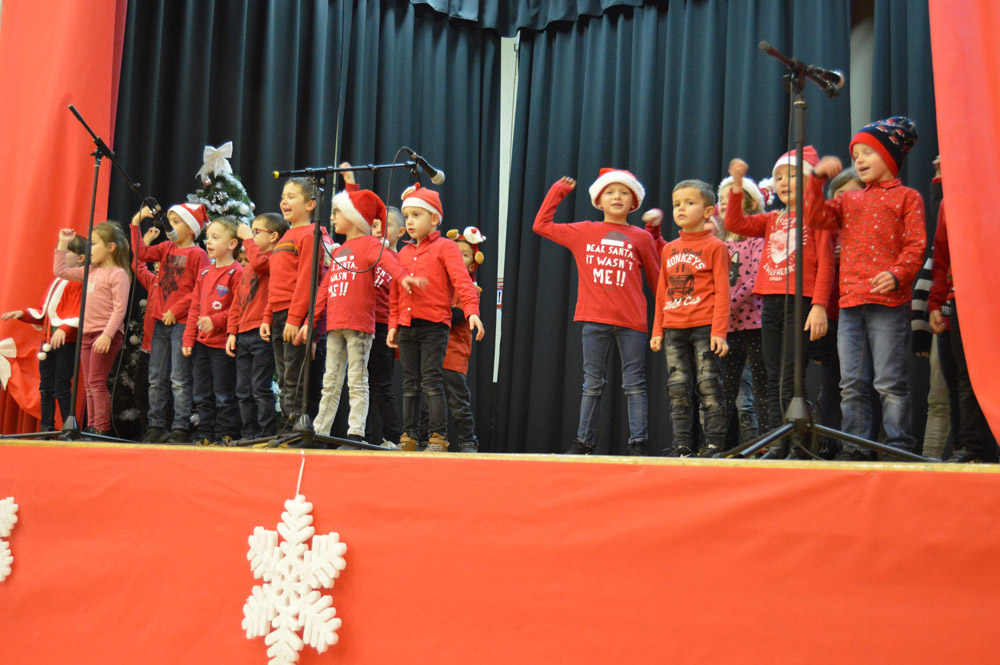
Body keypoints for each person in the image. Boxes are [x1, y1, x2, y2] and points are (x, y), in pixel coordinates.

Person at [811, 116, 926, 459]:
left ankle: (897, 447)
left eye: (867, 153)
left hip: (887, 303)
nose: (858, 160)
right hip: (849, 304)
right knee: (852, 383)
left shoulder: (907, 197)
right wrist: (815, 181)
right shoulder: (849, 201)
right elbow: (815, 217)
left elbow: (916, 244)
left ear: (889, 157)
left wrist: (896, 274)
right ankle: (856, 447)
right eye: (855, 154)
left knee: (889, 382)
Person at [533, 169, 661, 455]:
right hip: (594, 319)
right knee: (592, 384)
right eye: (610, 192)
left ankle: (638, 443)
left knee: (634, 385)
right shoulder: (584, 231)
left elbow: (658, 283)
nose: (617, 196)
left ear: (634, 203)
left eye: (624, 192)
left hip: (632, 322)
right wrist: (557, 192)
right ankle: (584, 442)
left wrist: (661, 325)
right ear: (599, 201)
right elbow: (541, 226)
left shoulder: (641, 238)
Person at [726, 150, 835, 458]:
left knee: (791, 378)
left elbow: (826, 262)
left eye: (792, 176)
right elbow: (735, 222)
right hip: (770, 303)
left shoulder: (818, 215)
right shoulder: (773, 218)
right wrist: (736, 184)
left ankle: (797, 444)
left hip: (800, 302)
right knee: (773, 377)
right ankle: (777, 442)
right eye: (778, 177)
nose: (784, 182)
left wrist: (819, 305)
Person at [308, 187, 420, 445]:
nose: (333, 218)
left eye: (338, 213)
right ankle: (320, 430)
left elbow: (391, 264)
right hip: (336, 325)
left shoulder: (370, 244)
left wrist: (404, 278)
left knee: (358, 380)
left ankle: (355, 432)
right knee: (331, 381)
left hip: (359, 325)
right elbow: (324, 291)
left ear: (355, 216)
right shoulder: (338, 251)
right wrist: (311, 324)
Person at [388, 184, 484, 452]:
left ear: (434, 219)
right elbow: (396, 293)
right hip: (407, 327)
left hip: (434, 326)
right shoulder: (404, 252)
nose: (409, 222)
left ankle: (437, 437)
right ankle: (409, 436)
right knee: (409, 384)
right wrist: (393, 324)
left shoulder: (446, 248)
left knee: (431, 381)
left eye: (416, 215)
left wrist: (472, 311)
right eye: (407, 217)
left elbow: (463, 282)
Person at [647, 180, 730, 457]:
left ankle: (713, 444)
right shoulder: (669, 248)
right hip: (673, 328)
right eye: (676, 204)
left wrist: (719, 331)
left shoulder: (716, 247)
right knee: (678, 387)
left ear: (708, 212)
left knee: (708, 384)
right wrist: (657, 329)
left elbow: (722, 292)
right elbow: (662, 291)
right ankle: (682, 444)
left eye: (689, 202)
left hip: (704, 327)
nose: (681, 208)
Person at [131, 203, 210, 443]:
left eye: (176, 222)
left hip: (182, 323)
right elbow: (142, 254)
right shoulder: (166, 248)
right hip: (160, 323)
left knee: (179, 378)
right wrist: (136, 222)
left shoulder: (198, 255)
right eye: (170, 221)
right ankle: (156, 426)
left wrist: (176, 310)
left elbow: (201, 288)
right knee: (156, 378)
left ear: (192, 229)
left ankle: (180, 427)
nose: (170, 227)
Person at [260, 178, 332, 433]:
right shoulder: (286, 236)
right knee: (283, 376)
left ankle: (297, 426)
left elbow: (307, 280)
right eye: (283, 196)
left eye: (292, 196)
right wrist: (268, 315)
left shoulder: (311, 235)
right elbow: (276, 281)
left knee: (294, 376)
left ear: (311, 204)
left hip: (294, 315)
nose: (284, 201)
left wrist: (295, 318)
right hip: (280, 314)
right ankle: (289, 425)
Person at [928, 198, 997, 463]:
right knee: (966, 378)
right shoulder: (952, 202)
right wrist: (935, 300)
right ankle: (971, 450)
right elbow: (942, 255)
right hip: (964, 300)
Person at [2, 235, 87, 431]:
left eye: (66, 251)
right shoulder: (58, 281)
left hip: (66, 342)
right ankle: (46, 428)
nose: (61, 254)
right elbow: (46, 312)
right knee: (45, 387)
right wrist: (23, 314)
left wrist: (64, 329)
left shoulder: (80, 281)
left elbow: (78, 312)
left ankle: (69, 428)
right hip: (48, 340)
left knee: (62, 387)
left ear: (81, 258)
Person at [53, 223, 131, 436]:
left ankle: (101, 428)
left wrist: (107, 334)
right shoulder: (89, 271)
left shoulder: (118, 274)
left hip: (104, 335)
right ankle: (93, 426)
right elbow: (60, 271)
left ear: (110, 247)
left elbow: (119, 309)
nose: (89, 250)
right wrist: (63, 243)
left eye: (94, 244)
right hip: (86, 335)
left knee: (96, 383)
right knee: (88, 384)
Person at [715, 175, 768, 451]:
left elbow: (753, 278)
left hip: (754, 324)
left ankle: (766, 444)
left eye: (729, 200)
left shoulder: (756, 239)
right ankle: (723, 445)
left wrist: (725, 304)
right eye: (720, 201)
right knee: (725, 388)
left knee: (760, 388)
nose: (723, 205)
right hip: (728, 328)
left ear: (747, 204)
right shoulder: (718, 243)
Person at [182, 217, 243, 445]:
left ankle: (226, 432)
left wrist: (216, 321)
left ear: (232, 244)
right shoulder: (205, 273)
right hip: (202, 345)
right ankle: (205, 432)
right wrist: (189, 337)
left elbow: (239, 309)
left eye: (216, 238)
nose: (209, 242)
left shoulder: (237, 272)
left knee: (224, 393)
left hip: (222, 345)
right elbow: (194, 308)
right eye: (208, 237)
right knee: (202, 393)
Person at [226, 213, 287, 441]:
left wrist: (246, 240)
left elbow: (262, 264)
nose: (250, 236)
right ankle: (248, 433)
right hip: (243, 333)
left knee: (260, 388)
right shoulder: (249, 264)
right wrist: (232, 331)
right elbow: (237, 302)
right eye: (250, 232)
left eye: (256, 232)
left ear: (273, 237)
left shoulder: (275, 259)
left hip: (262, 332)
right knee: (242, 390)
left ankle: (265, 434)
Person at [438, 226, 487, 453]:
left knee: (458, 402)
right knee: (431, 402)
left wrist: (433, 311)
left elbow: (458, 315)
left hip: (453, 355)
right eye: (453, 252)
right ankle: (435, 439)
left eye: (464, 254)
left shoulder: (470, 290)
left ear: (471, 265)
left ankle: (468, 441)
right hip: (432, 354)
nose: (457, 257)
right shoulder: (439, 285)